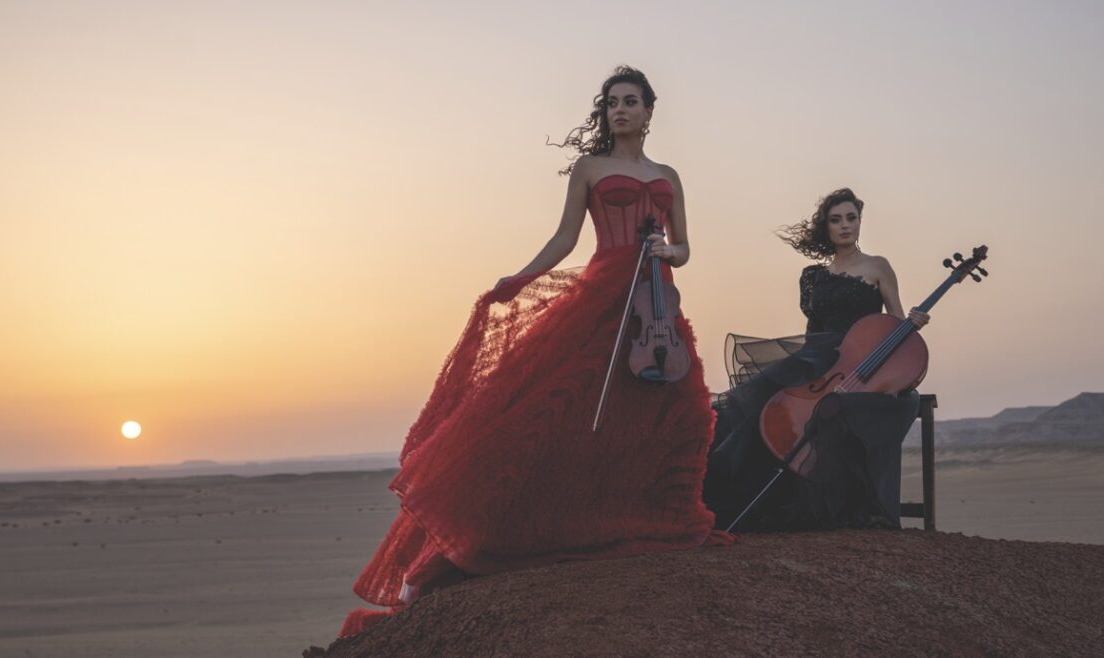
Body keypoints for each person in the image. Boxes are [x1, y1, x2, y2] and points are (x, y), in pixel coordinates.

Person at [339, 66, 729, 637]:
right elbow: (565, 238)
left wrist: (666, 253)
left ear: (649, 111)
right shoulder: (590, 168)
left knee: (671, 412)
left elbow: (685, 246)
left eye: (631, 101)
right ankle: (515, 531)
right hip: (605, 292)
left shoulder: (669, 175)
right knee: (559, 411)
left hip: (654, 300)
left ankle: (639, 518)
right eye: (612, 102)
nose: (621, 109)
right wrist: (521, 278)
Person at [703, 187, 929, 531]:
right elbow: (813, 330)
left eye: (851, 218)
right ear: (826, 227)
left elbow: (894, 324)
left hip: (863, 367)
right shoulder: (813, 276)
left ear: (860, 221)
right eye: (836, 220)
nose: (845, 225)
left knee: (844, 409)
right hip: (819, 359)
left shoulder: (878, 266)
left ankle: (843, 502)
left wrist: (912, 323)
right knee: (762, 404)